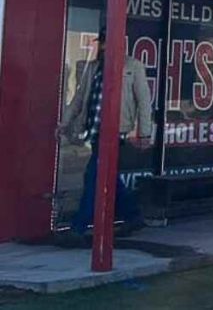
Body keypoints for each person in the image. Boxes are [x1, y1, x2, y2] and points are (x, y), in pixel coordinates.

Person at [58, 29, 154, 241]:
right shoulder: (93, 67)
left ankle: (78, 227)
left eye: (105, 43)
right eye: (100, 43)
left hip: (115, 132)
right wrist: (64, 123)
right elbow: (79, 98)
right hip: (94, 130)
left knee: (92, 176)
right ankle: (133, 215)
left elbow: (144, 101)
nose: (101, 47)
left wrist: (145, 132)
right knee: (108, 176)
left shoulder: (132, 66)